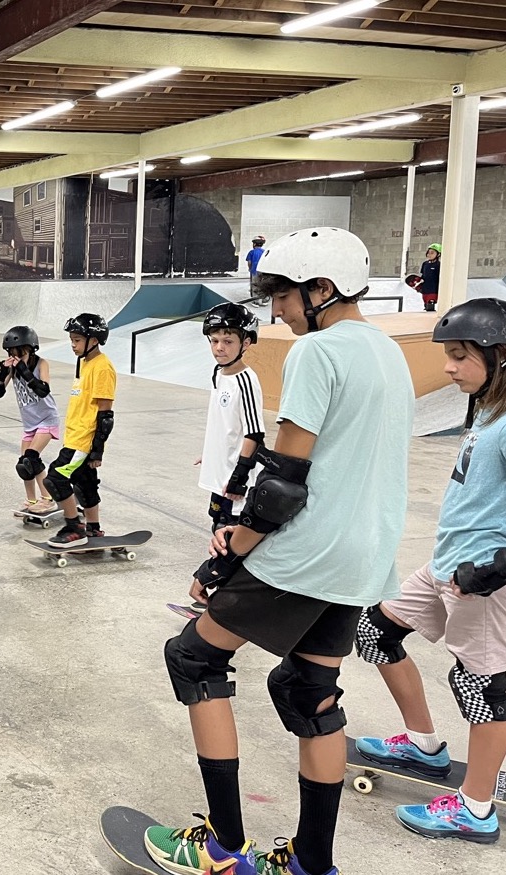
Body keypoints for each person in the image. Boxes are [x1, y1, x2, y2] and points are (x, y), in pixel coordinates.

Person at [148, 227, 414, 875]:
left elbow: (284, 481)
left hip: (307, 554)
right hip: (363, 556)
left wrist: (229, 552)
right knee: (309, 691)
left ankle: (221, 847)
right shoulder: (388, 352)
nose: (276, 311)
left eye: (283, 295)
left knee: (192, 658)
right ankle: (310, 864)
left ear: (322, 289)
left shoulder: (316, 352)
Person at [353, 297, 506, 845]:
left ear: (499, 355)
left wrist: (493, 572)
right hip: (446, 563)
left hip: (481, 578)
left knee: (484, 687)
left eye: (461, 356)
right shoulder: (486, 409)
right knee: (374, 631)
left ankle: (476, 807)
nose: (448, 367)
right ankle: (423, 745)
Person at [41, 313, 116, 547]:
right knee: (85, 483)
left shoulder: (102, 368)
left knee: (55, 478)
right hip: (74, 436)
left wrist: (97, 450)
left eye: (77, 340)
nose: (73, 345)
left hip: (83, 440)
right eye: (71, 340)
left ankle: (75, 526)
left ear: (93, 340)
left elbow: (105, 415)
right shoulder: (84, 362)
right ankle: (93, 528)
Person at [196, 303, 264, 532]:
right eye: (214, 341)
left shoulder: (245, 381)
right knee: (216, 522)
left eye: (228, 341)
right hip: (220, 473)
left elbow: (254, 434)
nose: (219, 348)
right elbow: (225, 424)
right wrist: (212, 453)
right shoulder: (219, 374)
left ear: (246, 343)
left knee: (229, 530)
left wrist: (240, 475)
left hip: (235, 477)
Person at [0, 325, 60, 516]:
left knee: (31, 459)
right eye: (11, 352)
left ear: (29, 349)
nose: (14, 356)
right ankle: (31, 501)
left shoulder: (41, 364)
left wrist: (24, 371)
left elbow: (43, 390)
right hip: (29, 424)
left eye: (18, 351)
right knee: (24, 466)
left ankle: (48, 500)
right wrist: (2, 374)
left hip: (47, 419)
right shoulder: (13, 368)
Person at [419, 243, 442, 312]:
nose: (429, 254)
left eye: (432, 253)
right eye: (428, 253)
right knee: (426, 305)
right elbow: (423, 275)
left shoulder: (439, 265)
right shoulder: (425, 264)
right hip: (425, 289)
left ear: (438, 254)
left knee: (430, 305)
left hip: (433, 290)